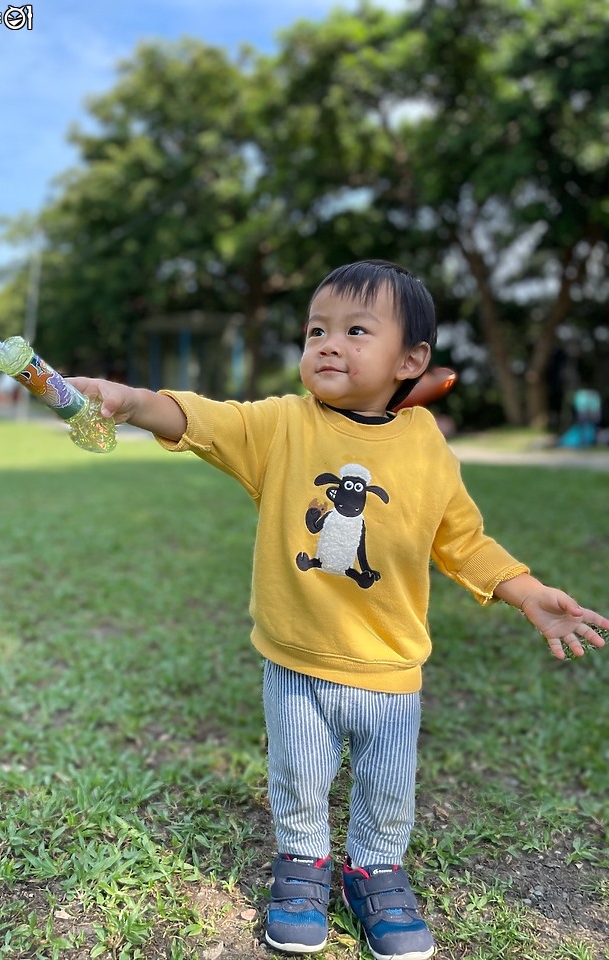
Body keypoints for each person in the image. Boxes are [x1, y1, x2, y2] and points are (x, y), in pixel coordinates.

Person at [68, 260, 608, 959]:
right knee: (298, 777)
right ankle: (301, 863)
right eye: (316, 329)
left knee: (387, 788)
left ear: (410, 359)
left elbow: (462, 541)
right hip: (295, 661)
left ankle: (375, 870)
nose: (327, 343)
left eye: (356, 330)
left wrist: (527, 591)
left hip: (389, 668)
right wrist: (129, 399)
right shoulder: (281, 426)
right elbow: (200, 418)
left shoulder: (425, 447)